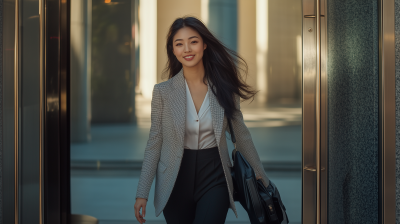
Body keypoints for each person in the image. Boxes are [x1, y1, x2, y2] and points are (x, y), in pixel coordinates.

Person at [134, 16, 269, 224]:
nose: (187, 49)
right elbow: (154, 142)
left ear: (205, 44)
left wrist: (260, 175)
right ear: (173, 50)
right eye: (179, 44)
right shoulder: (163, 92)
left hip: (215, 175)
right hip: (174, 180)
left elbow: (241, 134)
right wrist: (142, 192)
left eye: (193, 41)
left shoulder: (224, 89)